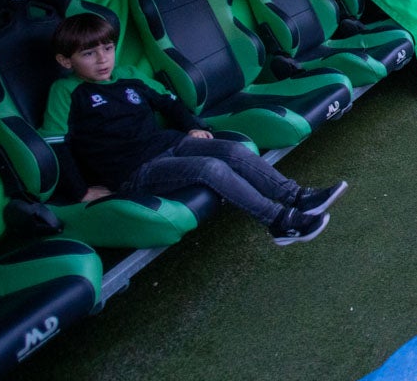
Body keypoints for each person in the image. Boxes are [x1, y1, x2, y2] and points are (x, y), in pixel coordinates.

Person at [44, 13, 348, 245]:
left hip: (170, 143)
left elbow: (170, 103)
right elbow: (57, 145)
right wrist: (80, 190)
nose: (102, 60)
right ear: (65, 61)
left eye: (107, 49)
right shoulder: (65, 91)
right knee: (210, 168)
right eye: (88, 54)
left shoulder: (129, 76)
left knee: (232, 149)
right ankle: (280, 222)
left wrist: (191, 127)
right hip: (135, 170)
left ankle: (297, 196)